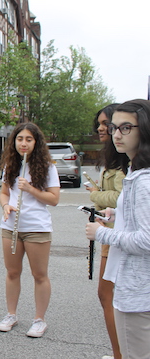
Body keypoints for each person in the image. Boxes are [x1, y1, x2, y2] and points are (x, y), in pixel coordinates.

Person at [86, 99, 150, 359]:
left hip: (138, 292)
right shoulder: (136, 171)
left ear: (143, 129)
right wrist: (118, 213)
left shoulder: (143, 180)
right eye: (114, 127)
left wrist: (102, 233)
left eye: (126, 128)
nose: (116, 134)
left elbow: (147, 239)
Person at [0, 122, 60, 338]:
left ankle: (39, 319)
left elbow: (54, 199)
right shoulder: (10, 165)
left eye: (29, 139)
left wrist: (30, 189)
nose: (23, 143)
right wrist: (6, 206)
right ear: (14, 141)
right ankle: (11, 314)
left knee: (39, 274)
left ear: (36, 142)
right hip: (11, 226)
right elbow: (4, 193)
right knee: (12, 272)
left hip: (37, 228)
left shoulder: (48, 167)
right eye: (20, 139)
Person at [86, 104, 127, 359]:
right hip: (109, 233)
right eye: (99, 124)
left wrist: (97, 195)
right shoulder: (114, 157)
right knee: (108, 297)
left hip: (116, 237)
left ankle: (121, 354)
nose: (101, 128)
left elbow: (123, 197)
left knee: (108, 296)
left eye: (106, 124)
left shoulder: (127, 160)